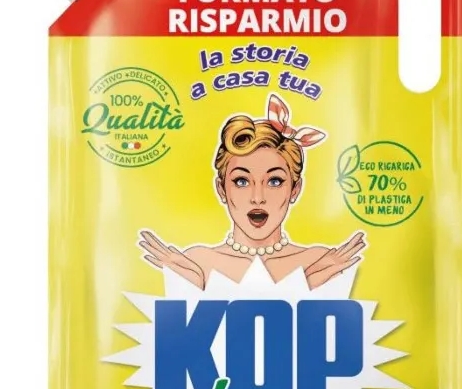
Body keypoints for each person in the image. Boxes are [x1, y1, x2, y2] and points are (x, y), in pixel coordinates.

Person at [139, 94, 365, 289]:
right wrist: (191, 293)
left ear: (295, 189)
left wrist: (315, 290)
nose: (258, 198)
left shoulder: (320, 263)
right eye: (241, 181)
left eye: (274, 181)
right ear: (221, 189)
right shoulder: (197, 263)